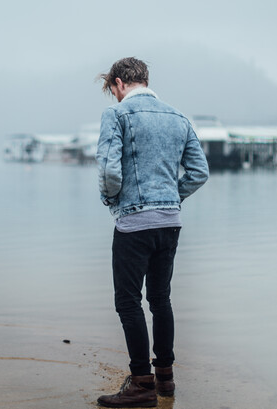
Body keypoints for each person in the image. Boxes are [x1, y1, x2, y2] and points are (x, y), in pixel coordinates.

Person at [96, 57, 209, 408]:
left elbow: (110, 171)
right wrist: (171, 197)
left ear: (118, 83)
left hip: (134, 223)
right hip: (170, 222)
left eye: (112, 91)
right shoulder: (178, 117)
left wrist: (112, 200)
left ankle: (141, 383)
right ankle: (166, 382)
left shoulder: (116, 115)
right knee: (160, 300)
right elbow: (199, 171)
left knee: (128, 302)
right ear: (145, 79)